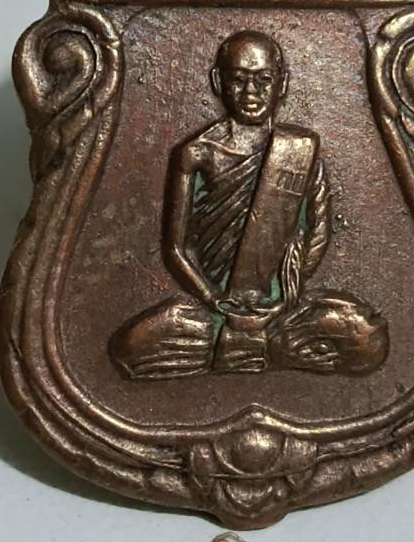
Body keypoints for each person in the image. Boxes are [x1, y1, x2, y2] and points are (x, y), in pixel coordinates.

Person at [110, 31, 388, 378]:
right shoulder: (197, 152)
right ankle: (270, 348)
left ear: (283, 83)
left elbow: (318, 229)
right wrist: (214, 301)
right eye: (238, 80)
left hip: (281, 303)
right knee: (128, 348)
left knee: (367, 337)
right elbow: (177, 249)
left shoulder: (300, 148)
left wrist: (286, 295)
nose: (251, 93)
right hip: (213, 302)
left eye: (263, 80)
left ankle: (255, 346)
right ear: (218, 82)